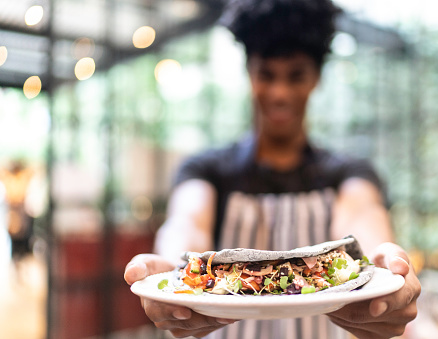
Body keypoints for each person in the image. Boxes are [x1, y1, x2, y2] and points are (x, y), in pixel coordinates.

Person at [124, 0, 421, 338]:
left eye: (296, 76)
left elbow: (364, 221)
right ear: (250, 74)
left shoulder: (348, 173)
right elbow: (186, 223)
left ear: (316, 79)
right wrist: (173, 269)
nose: (280, 93)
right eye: (267, 75)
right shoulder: (207, 170)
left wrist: (385, 274)